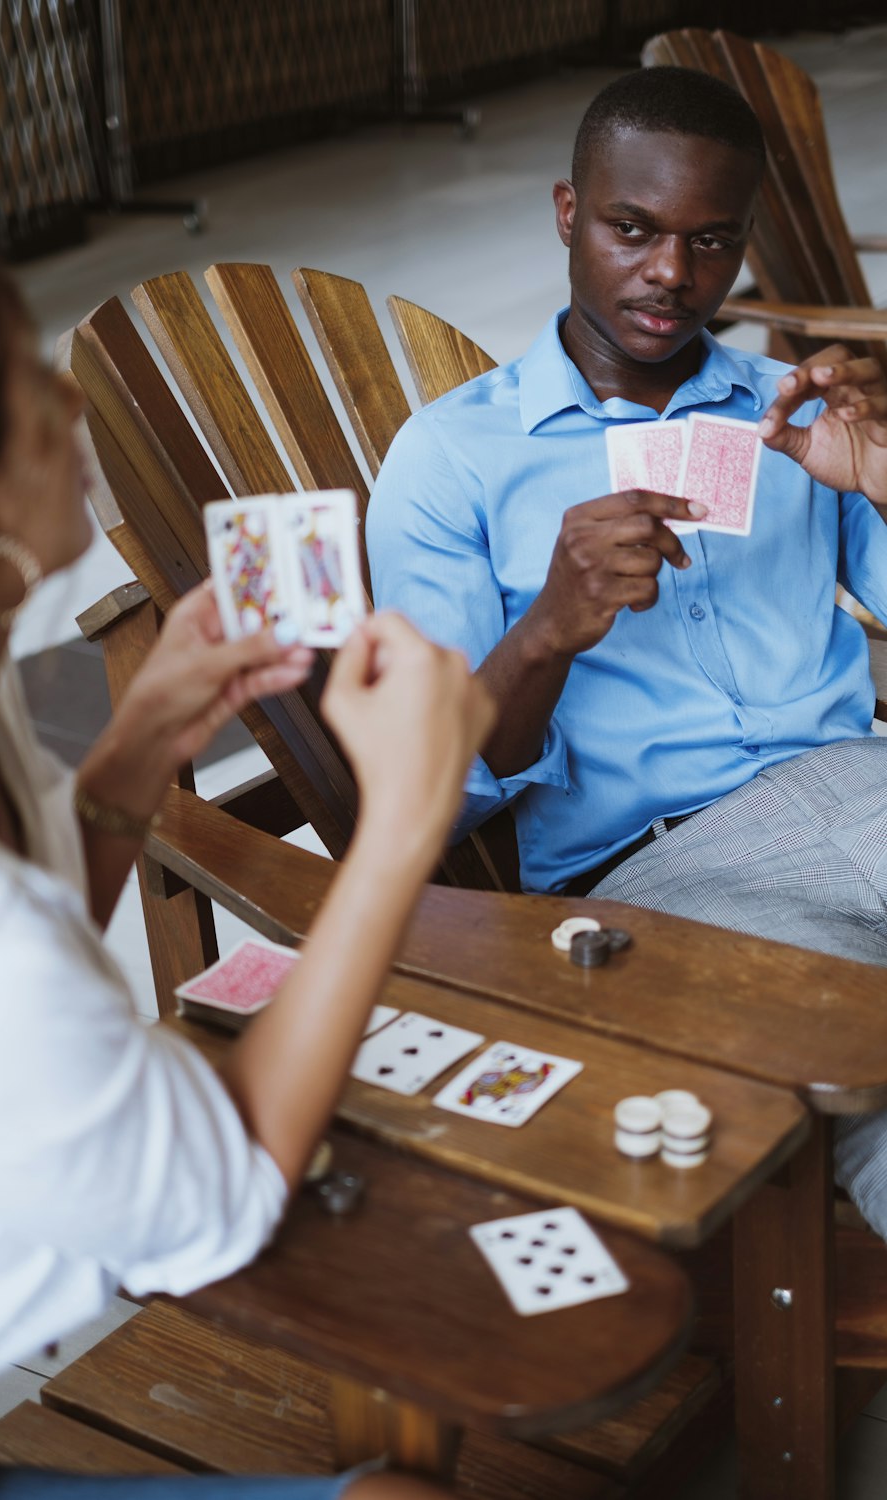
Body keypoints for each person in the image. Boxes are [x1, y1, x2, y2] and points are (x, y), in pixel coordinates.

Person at [0, 214, 494, 1500]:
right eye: (28, 383)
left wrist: (153, 723)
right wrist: (400, 823)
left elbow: (30, 932)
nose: (68, 396)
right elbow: (232, 1188)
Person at [365, 68, 887, 1223]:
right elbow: (427, 792)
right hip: (658, 875)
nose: (671, 274)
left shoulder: (791, 414)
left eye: (710, 240)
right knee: (867, 1075)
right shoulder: (453, 460)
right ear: (567, 212)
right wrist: (549, 627)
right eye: (632, 229)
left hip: (860, 784)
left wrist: (883, 481)